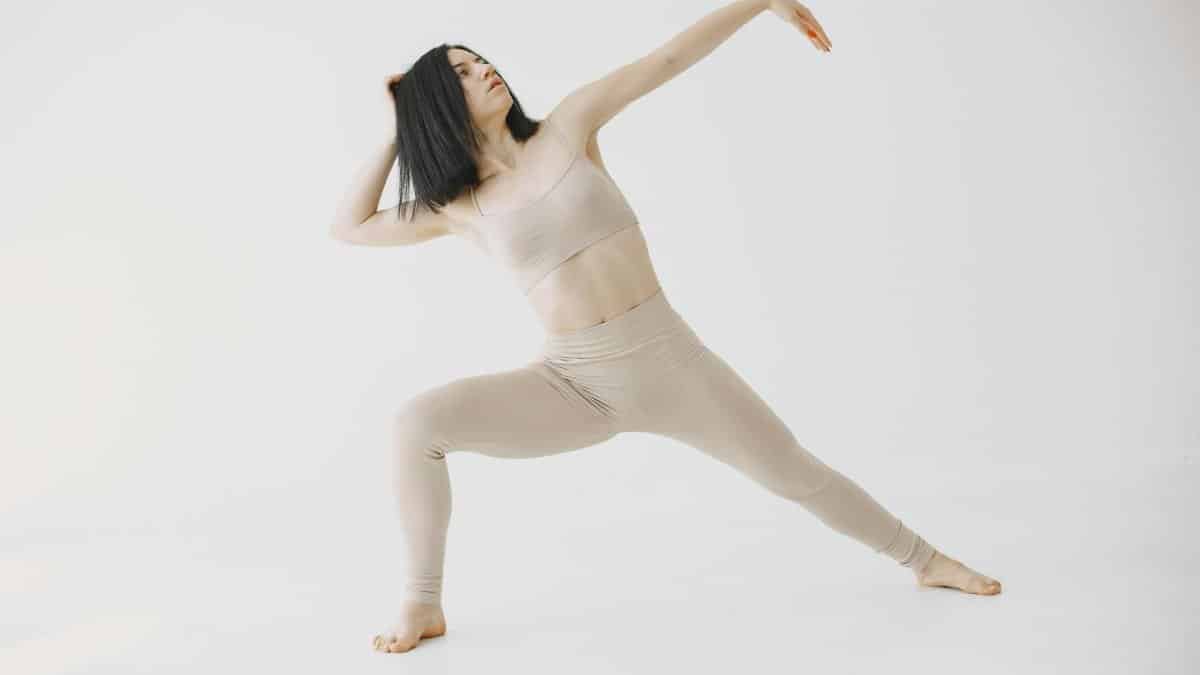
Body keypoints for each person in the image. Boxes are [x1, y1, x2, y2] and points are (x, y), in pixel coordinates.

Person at [330, 0, 1000, 655]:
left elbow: (670, 57)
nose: (484, 70)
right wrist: (397, 129)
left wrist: (757, 2)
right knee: (417, 424)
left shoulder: (569, 126)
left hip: (671, 361)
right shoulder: (458, 205)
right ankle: (423, 600)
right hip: (573, 384)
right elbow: (349, 228)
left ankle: (925, 558)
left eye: (480, 60)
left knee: (794, 470)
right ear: (440, 104)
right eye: (462, 74)